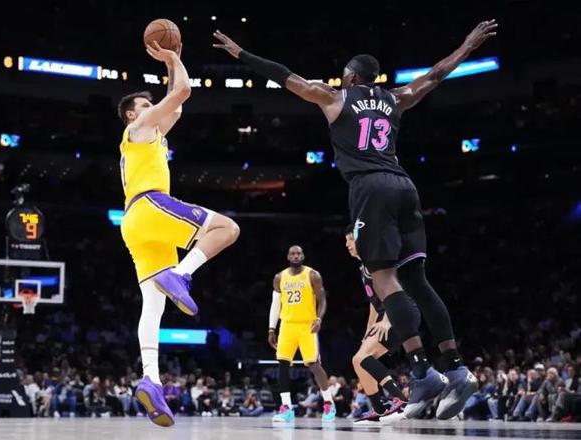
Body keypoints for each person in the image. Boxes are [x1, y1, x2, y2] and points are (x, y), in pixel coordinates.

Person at [212, 19, 498, 419]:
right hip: (405, 186)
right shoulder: (395, 98)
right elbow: (435, 75)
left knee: (384, 279)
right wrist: (466, 46)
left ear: (350, 77)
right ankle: (455, 366)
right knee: (417, 280)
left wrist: (242, 54)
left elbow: (285, 77)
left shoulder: (335, 98)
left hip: (370, 188)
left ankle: (422, 372)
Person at [117, 41, 239, 427]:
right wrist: (172, 58)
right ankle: (183, 274)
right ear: (131, 114)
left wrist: (174, 64)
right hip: (150, 205)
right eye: (145, 104)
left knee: (153, 305)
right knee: (227, 228)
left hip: (135, 223)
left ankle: (150, 379)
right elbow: (183, 91)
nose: (152, 106)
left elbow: (178, 103)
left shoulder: (151, 133)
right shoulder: (138, 128)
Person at [345, 228, 407, 422]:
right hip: (383, 316)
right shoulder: (363, 268)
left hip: (396, 314)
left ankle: (399, 397)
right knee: (357, 361)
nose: (347, 244)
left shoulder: (375, 262)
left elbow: (393, 290)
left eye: (350, 240)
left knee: (363, 357)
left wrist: (387, 320)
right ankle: (379, 409)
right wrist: (368, 331)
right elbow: (374, 303)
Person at [268, 246, 336, 422]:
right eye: (293, 253)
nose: (296, 256)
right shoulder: (279, 277)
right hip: (287, 325)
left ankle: (328, 402)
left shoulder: (312, 275)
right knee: (282, 364)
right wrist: (271, 328)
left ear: (303, 255)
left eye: (299, 253)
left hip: (307, 325)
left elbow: (322, 300)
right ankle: (286, 407)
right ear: (288, 256)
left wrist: (319, 319)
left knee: (313, 364)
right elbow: (275, 305)